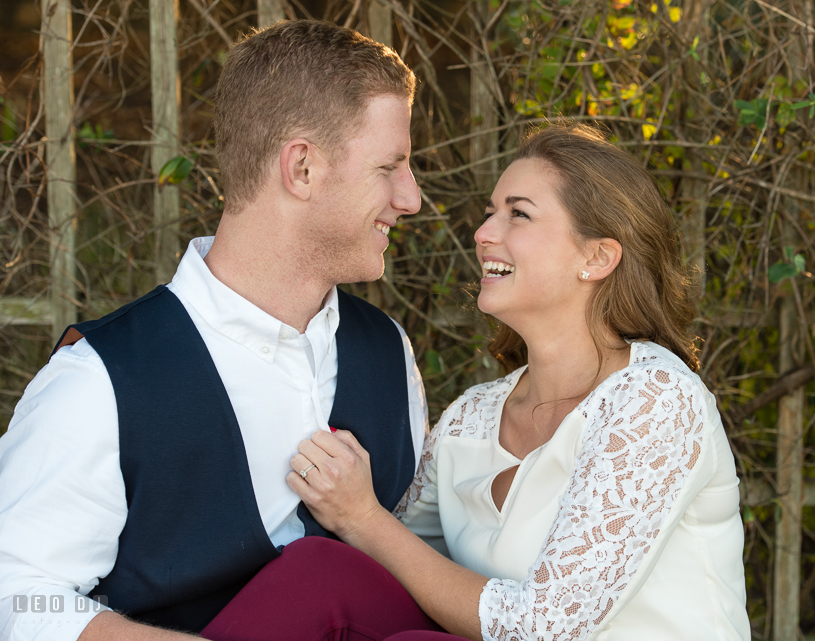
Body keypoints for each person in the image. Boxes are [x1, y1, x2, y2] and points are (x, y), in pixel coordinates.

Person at [202, 124, 751, 641]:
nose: (484, 232)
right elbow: (387, 564)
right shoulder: (474, 416)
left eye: (520, 215)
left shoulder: (655, 400)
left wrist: (362, 516)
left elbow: (541, 628)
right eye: (491, 213)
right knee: (320, 571)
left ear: (597, 257)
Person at [0, 20, 428, 641]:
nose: (411, 197)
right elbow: (15, 595)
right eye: (389, 167)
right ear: (302, 169)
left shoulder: (389, 351)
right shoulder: (101, 380)